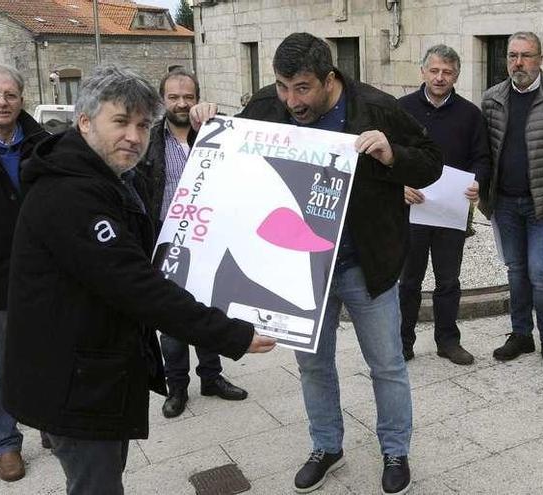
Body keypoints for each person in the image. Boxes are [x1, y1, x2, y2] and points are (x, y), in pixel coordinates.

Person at [2, 65, 276, 495]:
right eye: (121, 121)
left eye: (143, 125)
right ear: (85, 121)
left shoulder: (106, 177)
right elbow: (134, 284)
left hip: (91, 368)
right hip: (75, 381)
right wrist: (229, 333)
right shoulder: (72, 193)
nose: (134, 135)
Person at [190, 32, 442, 494]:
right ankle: (326, 445)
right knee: (313, 365)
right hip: (299, 269)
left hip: (366, 264)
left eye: (302, 88)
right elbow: (231, 155)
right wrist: (206, 124)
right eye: (283, 86)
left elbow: (431, 164)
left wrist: (391, 154)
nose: (291, 100)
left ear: (330, 79)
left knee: (386, 364)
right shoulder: (269, 104)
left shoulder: (376, 108)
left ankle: (395, 451)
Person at [138, 69, 249, 419]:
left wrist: (216, 119)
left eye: (188, 96)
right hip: (168, 243)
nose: (182, 103)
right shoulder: (149, 142)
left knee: (210, 308)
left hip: (211, 239)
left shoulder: (216, 132)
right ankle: (177, 387)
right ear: (162, 101)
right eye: (174, 97)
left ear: (198, 98)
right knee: (172, 316)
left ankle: (212, 377)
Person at [479, 31, 543, 373]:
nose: (518, 63)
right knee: (516, 270)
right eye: (512, 56)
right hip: (505, 204)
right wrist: (481, 193)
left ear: (540, 58)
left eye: (526, 55)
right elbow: (484, 152)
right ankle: (521, 334)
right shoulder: (492, 98)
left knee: (541, 272)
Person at [397, 44, 490, 366]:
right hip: (412, 212)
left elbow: (482, 157)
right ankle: (402, 342)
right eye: (434, 70)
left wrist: (478, 181)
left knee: (448, 282)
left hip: (451, 214)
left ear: (456, 76)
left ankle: (448, 341)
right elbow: (385, 157)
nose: (440, 77)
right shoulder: (402, 109)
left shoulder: (469, 114)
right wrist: (400, 186)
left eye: (447, 72)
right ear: (422, 71)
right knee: (409, 281)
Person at [0, 63, 48, 482]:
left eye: (9, 94)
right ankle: (5, 444)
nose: (1, 102)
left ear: (22, 98)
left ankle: (51, 425)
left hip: (44, 278)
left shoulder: (43, 142)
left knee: (50, 354)